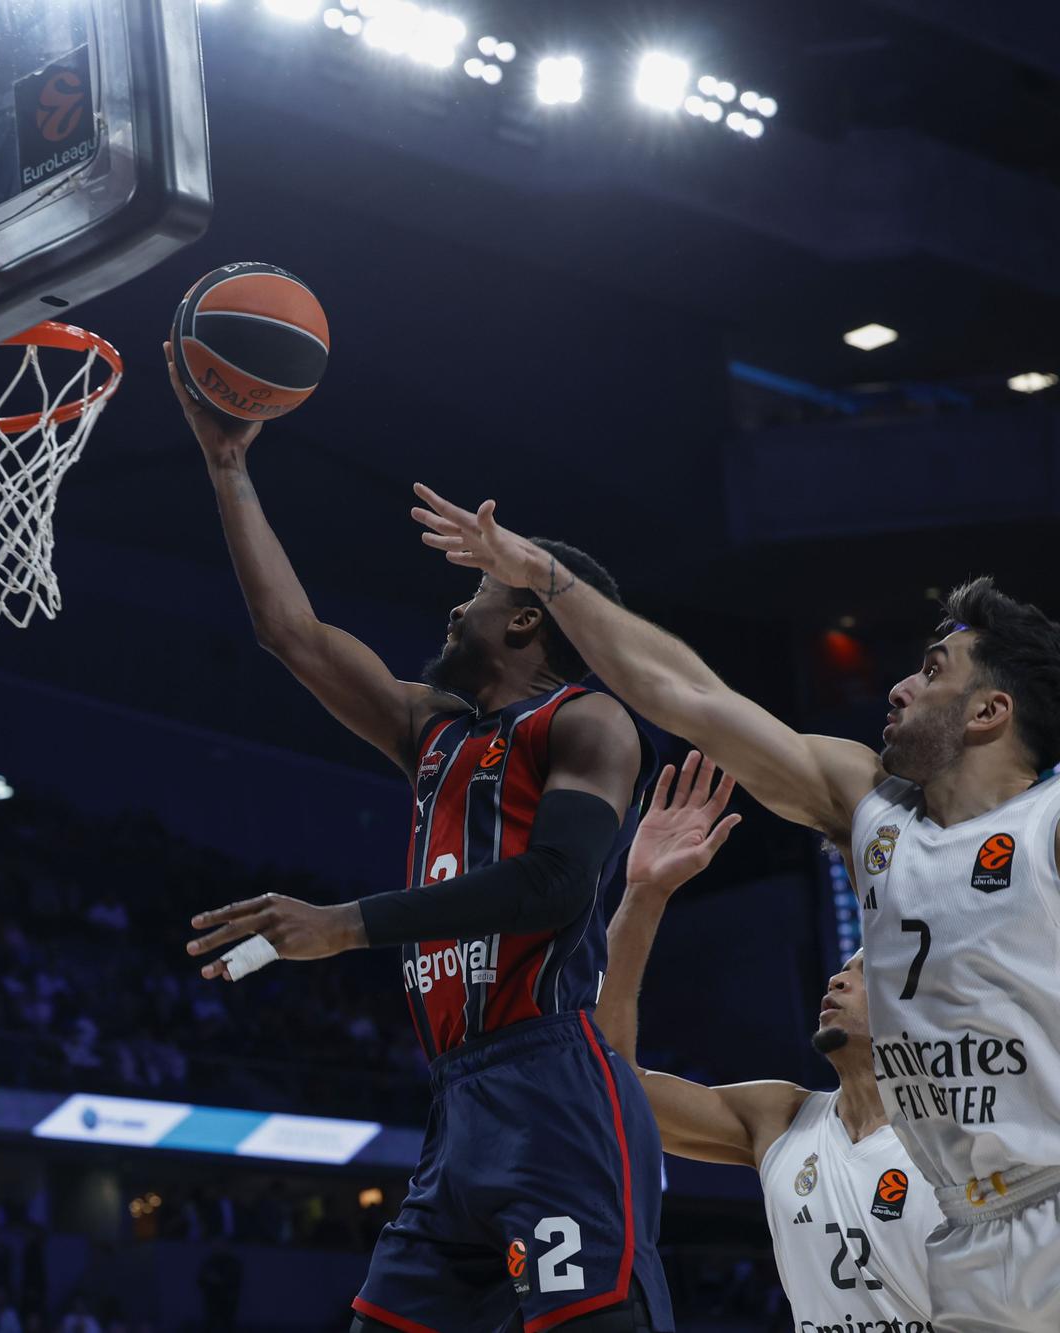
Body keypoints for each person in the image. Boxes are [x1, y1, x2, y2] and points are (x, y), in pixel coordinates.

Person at [410, 483, 1060, 1330]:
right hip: (974, 1237)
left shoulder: (1044, 823)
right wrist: (544, 577)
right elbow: (687, 694)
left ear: (988, 711)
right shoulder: (870, 808)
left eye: (932, 672)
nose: (898, 687)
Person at [170, 355, 670, 1331]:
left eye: (476, 588)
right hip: (458, 1106)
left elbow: (558, 884)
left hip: (553, 1088)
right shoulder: (430, 732)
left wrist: (346, 925)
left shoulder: (587, 721)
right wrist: (227, 466)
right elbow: (292, 634)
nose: (453, 604)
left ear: (527, 614)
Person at [599, 752, 938, 1326]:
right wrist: (644, 894)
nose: (837, 977)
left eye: (863, 971)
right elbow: (608, 1084)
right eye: (842, 967)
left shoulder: (966, 1126)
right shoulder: (780, 1118)